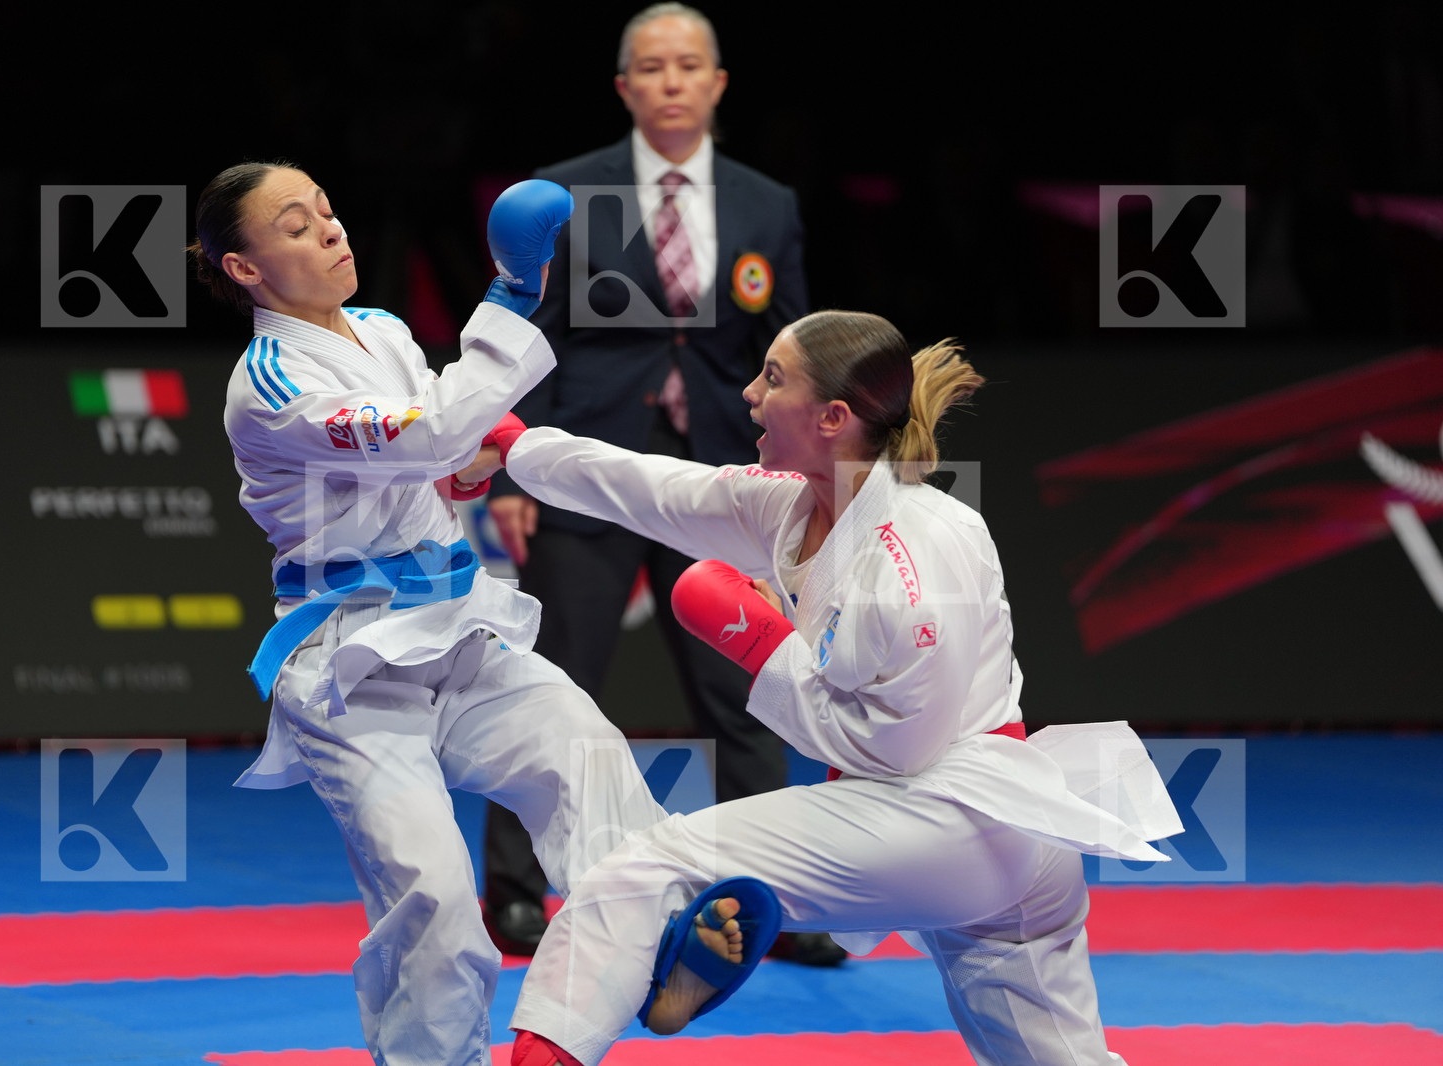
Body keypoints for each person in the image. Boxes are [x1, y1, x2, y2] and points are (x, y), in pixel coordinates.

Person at [452, 312, 1181, 1066]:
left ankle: (556, 1045)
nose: (747, 394)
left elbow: (899, 751)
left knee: (653, 865)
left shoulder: (913, 558)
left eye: (773, 378)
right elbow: (661, 490)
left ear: (833, 418)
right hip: (1003, 843)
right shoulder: (798, 505)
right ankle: (668, 962)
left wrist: (765, 648)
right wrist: (518, 446)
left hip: (960, 817)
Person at [191, 160, 666, 1066]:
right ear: (245, 268)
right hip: (351, 666)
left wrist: (467, 465)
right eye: (296, 225)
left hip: (460, 626)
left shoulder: (380, 330)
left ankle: (666, 944)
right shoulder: (272, 385)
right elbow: (424, 432)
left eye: (327, 211)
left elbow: (431, 458)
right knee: (436, 901)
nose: (330, 230)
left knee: (591, 762)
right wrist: (513, 294)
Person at [484, 1, 835, 965]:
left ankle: (776, 901)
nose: (672, 81)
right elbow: (529, 337)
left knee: (751, 690)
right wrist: (515, 465)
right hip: (587, 464)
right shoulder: (568, 191)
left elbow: (792, 345)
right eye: (653, 67)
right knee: (551, 689)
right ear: (625, 87)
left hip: (721, 476)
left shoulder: (769, 203)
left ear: (718, 82)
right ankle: (515, 891)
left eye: (689, 66)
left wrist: (804, 468)